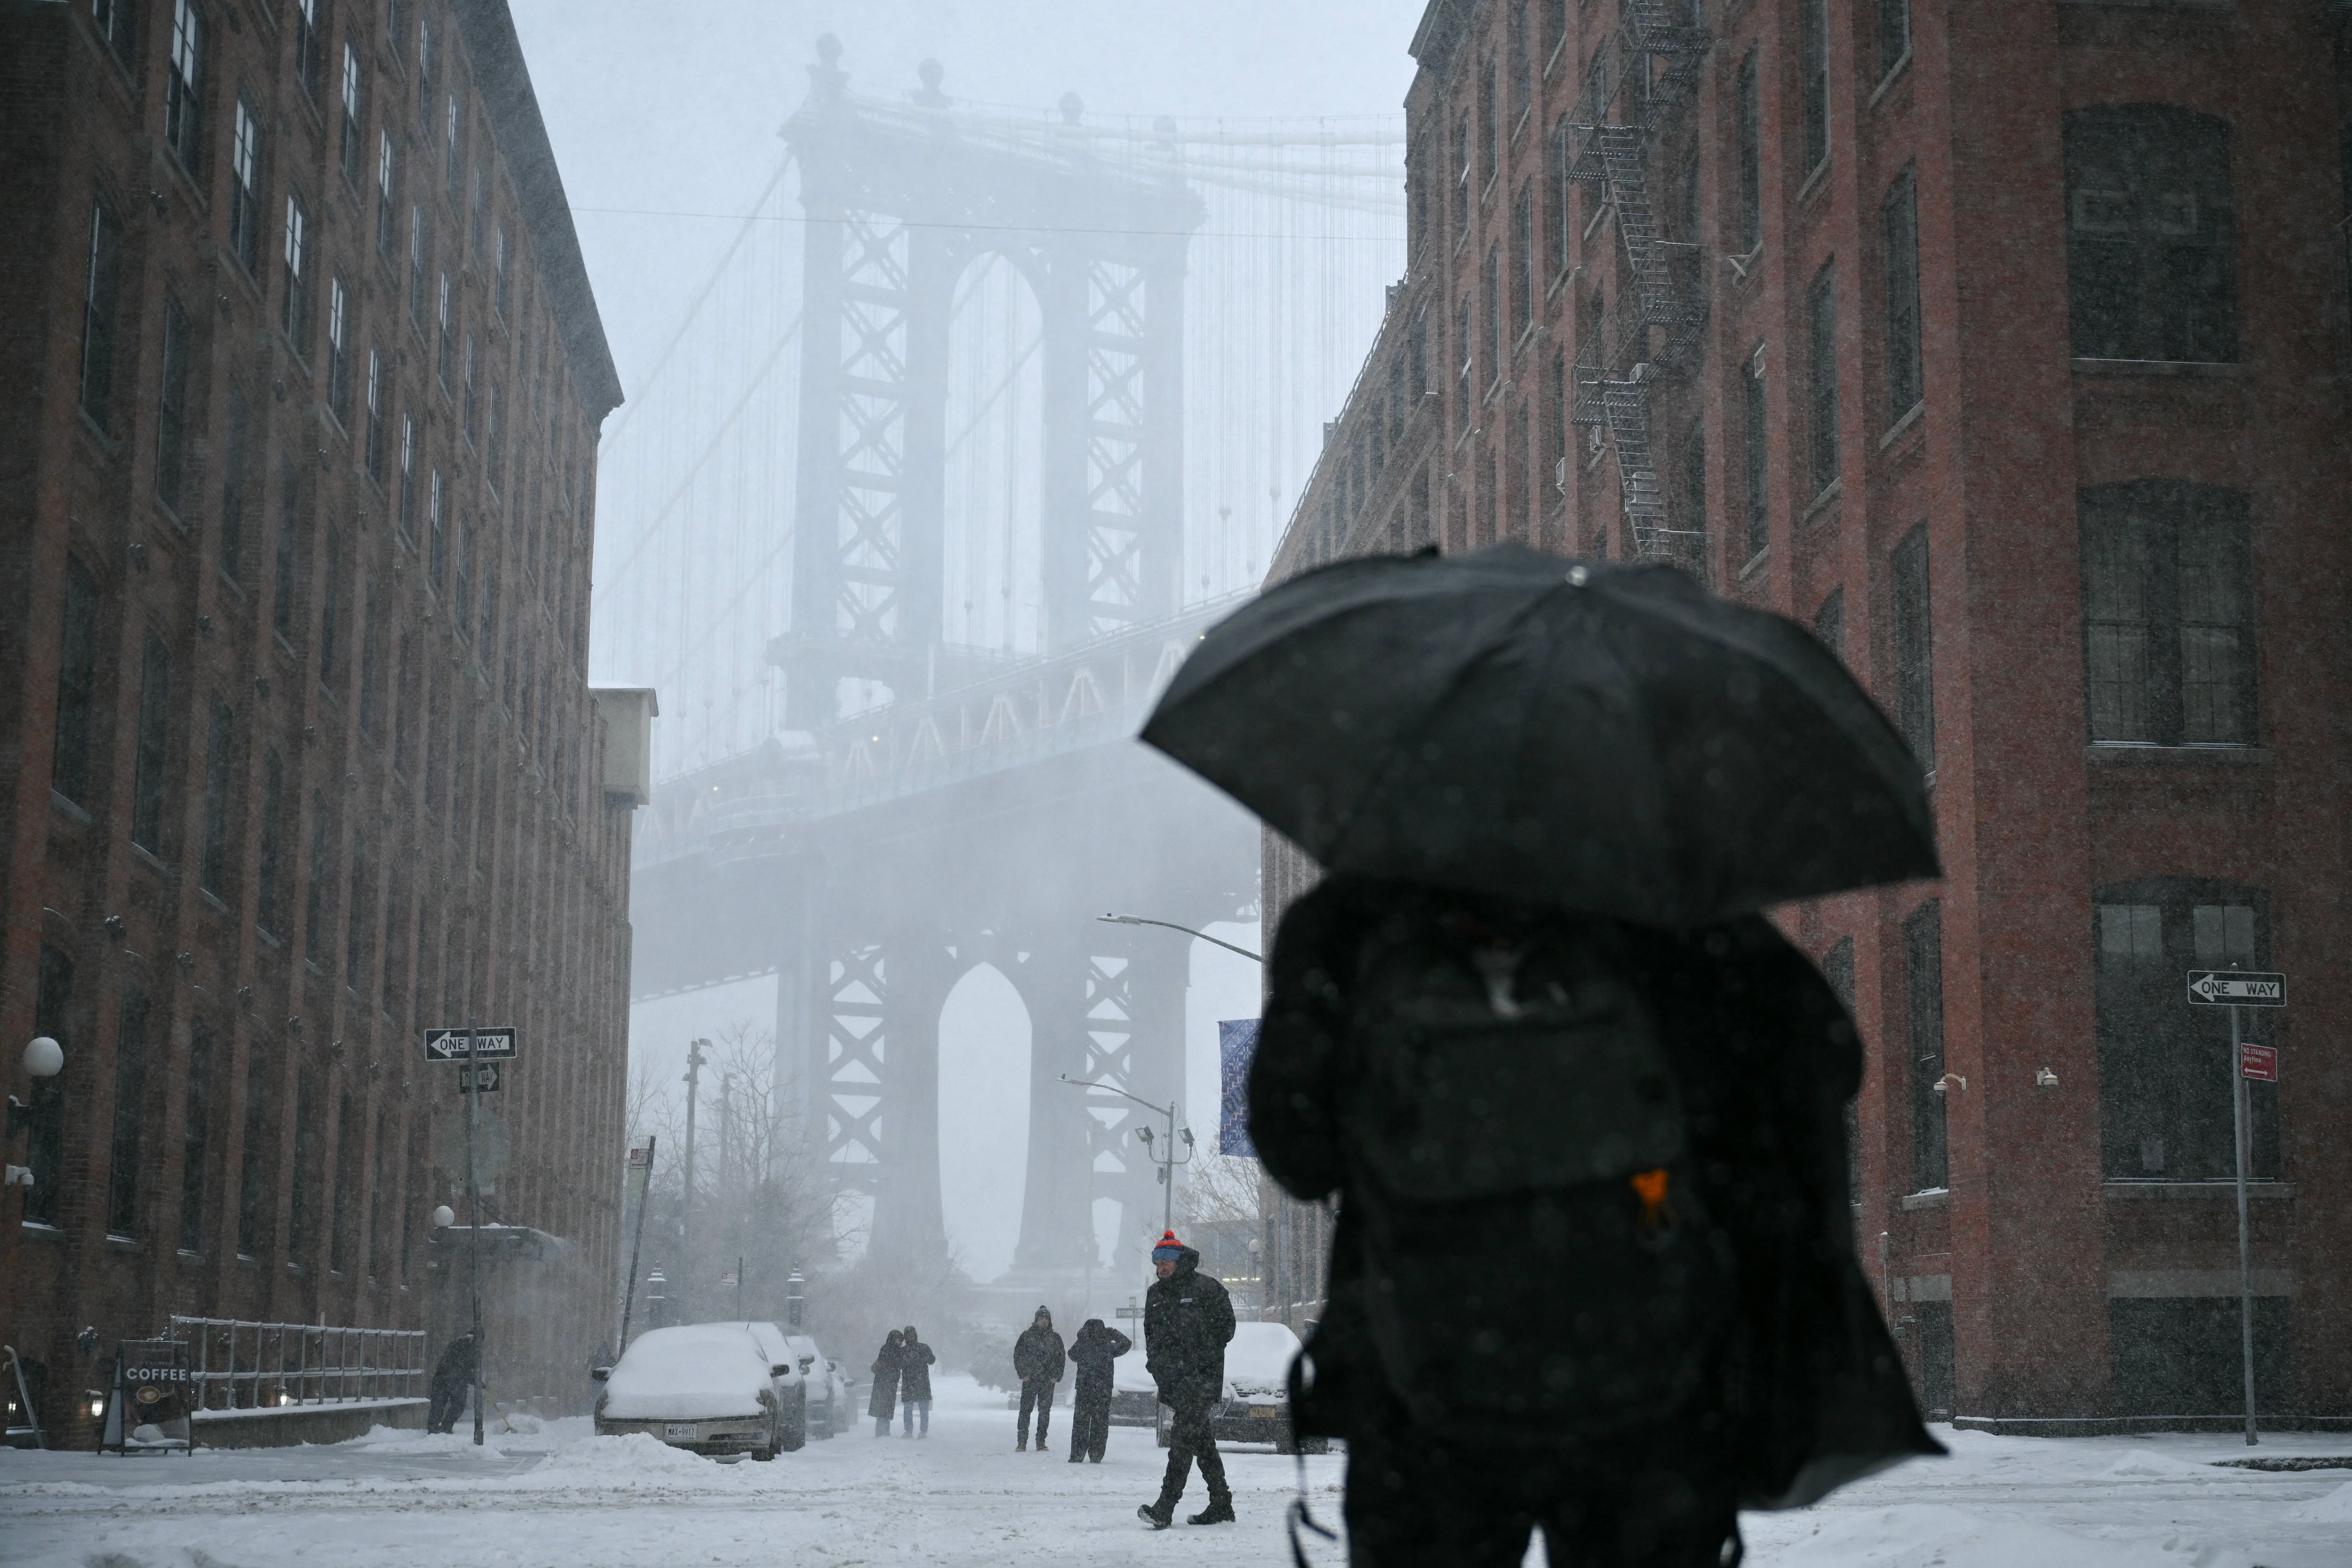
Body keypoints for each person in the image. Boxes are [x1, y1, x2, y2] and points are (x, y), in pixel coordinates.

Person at [1250, 877, 1939, 1568]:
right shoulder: (1664, 903)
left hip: (1425, 1377)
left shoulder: (1354, 916)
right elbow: (1824, 1055)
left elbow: (1294, 1150)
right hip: (1646, 1378)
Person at [1136, 1231, 1236, 1529]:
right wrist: (1156, 1366)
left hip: (1200, 1380)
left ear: (1180, 1262)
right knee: (1202, 1443)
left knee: (1180, 1442)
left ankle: (1165, 1507)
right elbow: (1151, 1336)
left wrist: (1198, 1356)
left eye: (1167, 1261)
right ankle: (1221, 1503)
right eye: (1158, 1262)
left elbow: (1226, 1328)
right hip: (1174, 1382)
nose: (1161, 1267)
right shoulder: (1155, 1294)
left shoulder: (1206, 1288)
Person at [1065, 1317, 1132, 1463]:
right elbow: (1127, 1343)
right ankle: (1096, 1454)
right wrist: (1114, 1333)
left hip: (1085, 1388)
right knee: (1100, 1423)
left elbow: (1072, 1354)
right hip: (1103, 1389)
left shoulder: (1083, 1344)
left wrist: (1082, 1336)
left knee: (1081, 1422)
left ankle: (1077, 1454)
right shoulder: (1108, 1346)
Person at [1011, 1307, 1065, 1452]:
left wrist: (1057, 1376)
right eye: (1041, 1319)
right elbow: (1018, 1356)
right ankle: (1022, 1442)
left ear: (1050, 1321)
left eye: (1046, 1319)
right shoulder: (1026, 1336)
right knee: (1025, 1411)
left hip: (1048, 1381)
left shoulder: (1055, 1338)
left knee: (1045, 1412)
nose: (1043, 1321)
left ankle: (1041, 1441)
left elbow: (1061, 1358)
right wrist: (1023, 1374)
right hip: (1030, 1380)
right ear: (1036, 1320)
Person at [426, 1331, 478, 1435]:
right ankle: (446, 1427)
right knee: (459, 1404)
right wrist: (476, 1381)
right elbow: (465, 1367)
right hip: (456, 1380)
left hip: (441, 1377)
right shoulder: (472, 1345)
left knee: (438, 1404)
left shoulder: (456, 1342)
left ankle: (433, 1429)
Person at [898, 1324, 935, 1438]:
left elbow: (932, 1360)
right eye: (908, 1336)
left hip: (922, 1382)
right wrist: (907, 1360)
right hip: (909, 1383)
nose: (910, 1338)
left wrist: (922, 1358)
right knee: (907, 1409)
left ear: (916, 1336)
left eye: (912, 1335)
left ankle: (923, 1431)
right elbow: (899, 1364)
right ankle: (908, 1431)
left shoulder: (924, 1348)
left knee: (924, 1409)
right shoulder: (903, 1351)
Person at [868, 1329, 905, 1438]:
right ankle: (882, 1433)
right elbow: (891, 1365)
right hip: (885, 1383)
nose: (899, 1342)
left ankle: (883, 1432)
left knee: (885, 1408)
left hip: (886, 1383)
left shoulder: (888, 1349)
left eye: (900, 1340)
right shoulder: (890, 1350)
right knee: (884, 1408)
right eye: (898, 1340)